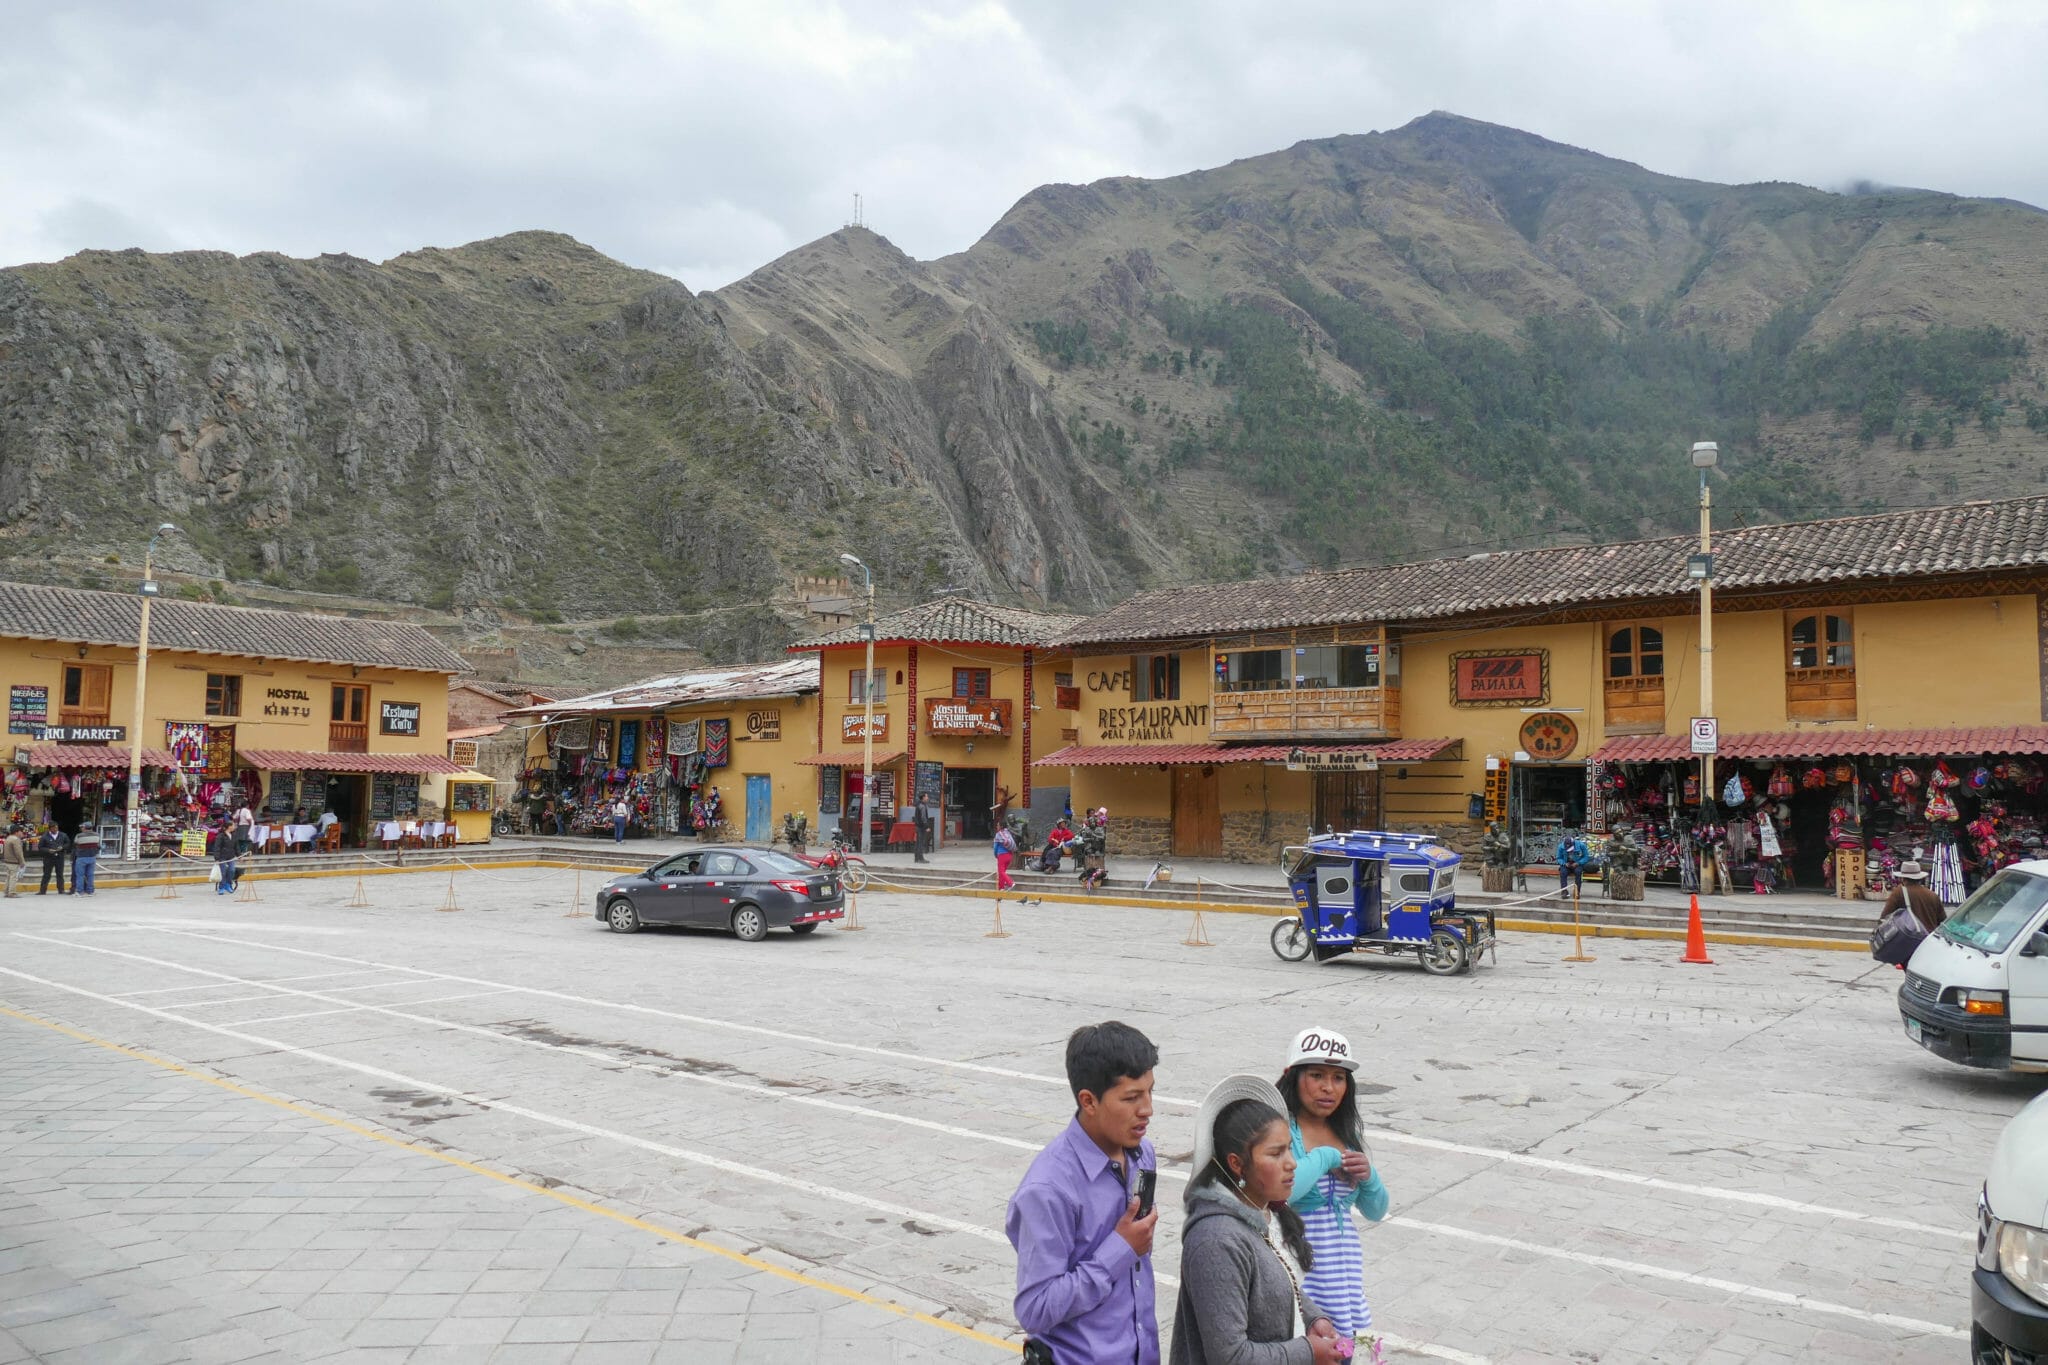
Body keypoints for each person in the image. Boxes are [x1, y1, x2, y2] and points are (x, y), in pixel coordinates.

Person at [1008, 1022, 1161, 1365]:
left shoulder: (1141, 1154)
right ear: (1088, 1101)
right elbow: (1035, 1308)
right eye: (1131, 1098)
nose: (1147, 1109)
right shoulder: (1048, 1190)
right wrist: (1119, 1250)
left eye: (1151, 1091)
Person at [1172, 1074, 1343, 1365]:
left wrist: (1313, 1317)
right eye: (1275, 1154)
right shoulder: (1217, 1242)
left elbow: (1276, 1285)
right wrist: (1309, 1351)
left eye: (1290, 1148)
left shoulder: (1264, 1211)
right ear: (1237, 1164)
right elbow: (1230, 1357)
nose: (1291, 1163)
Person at [1278, 1028, 1390, 1351]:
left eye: (1339, 1078)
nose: (1329, 1087)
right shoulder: (1281, 1129)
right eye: (1316, 1075)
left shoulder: (1345, 1131)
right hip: (1305, 1277)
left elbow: (1376, 1209)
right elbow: (1284, 1191)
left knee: (1347, 1352)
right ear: (1292, 1076)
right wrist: (1326, 1157)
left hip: (1345, 1281)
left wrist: (1369, 1177)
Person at [1882, 860, 1945, 933]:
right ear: (1920, 878)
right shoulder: (1933, 895)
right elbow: (1943, 921)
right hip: (1928, 939)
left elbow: (1885, 917)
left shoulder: (1898, 892)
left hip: (1909, 939)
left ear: (1902, 878)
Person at [1555, 828, 1589, 898]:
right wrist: (1564, 863)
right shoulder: (1561, 847)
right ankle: (1564, 892)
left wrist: (1578, 863)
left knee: (1578, 872)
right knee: (1563, 872)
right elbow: (1558, 858)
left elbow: (1586, 857)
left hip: (1577, 863)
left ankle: (1577, 891)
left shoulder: (1581, 845)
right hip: (1566, 864)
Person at [35, 824, 69, 896]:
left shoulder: (63, 835)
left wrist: (62, 847)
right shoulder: (44, 836)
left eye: (57, 828)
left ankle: (61, 890)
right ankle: (42, 891)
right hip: (48, 858)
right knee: (46, 874)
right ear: (50, 829)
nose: (55, 830)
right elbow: (40, 847)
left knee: (60, 874)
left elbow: (68, 843)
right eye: (54, 828)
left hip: (59, 857)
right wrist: (48, 850)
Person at [70, 824, 101, 897]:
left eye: (82, 827)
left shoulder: (79, 835)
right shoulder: (97, 835)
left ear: (84, 828)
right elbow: (98, 845)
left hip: (81, 857)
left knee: (80, 875)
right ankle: (90, 891)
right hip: (92, 857)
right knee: (90, 875)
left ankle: (80, 892)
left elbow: (75, 843)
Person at [209, 822, 238, 895]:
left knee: (232, 870)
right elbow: (217, 847)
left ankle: (228, 884)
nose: (234, 827)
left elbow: (236, 846)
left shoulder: (234, 835)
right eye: (233, 825)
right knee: (223, 871)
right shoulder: (220, 836)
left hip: (231, 856)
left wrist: (239, 855)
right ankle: (221, 887)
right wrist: (217, 858)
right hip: (222, 856)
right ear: (229, 827)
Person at [2, 823, 25, 898]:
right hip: (13, 861)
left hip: (7, 861)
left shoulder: (8, 838)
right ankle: (12, 893)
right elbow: (18, 852)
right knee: (13, 877)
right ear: (16, 832)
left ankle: (6, 891)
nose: (22, 833)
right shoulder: (15, 840)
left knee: (8, 877)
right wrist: (22, 862)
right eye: (21, 832)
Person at [993, 821, 1017, 890]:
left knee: (1001, 872)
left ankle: (1010, 883)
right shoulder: (1008, 833)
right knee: (1002, 873)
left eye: (998, 825)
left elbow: (995, 847)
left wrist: (996, 855)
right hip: (1009, 856)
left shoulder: (998, 835)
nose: (996, 827)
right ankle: (1001, 888)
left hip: (1002, 856)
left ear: (1001, 826)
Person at [912, 796, 934, 864]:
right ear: (923, 797)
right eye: (927, 796)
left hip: (918, 826)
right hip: (921, 827)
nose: (928, 798)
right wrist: (926, 826)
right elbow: (923, 818)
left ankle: (916, 858)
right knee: (921, 843)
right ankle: (920, 858)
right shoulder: (922, 806)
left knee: (918, 842)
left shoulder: (918, 805)